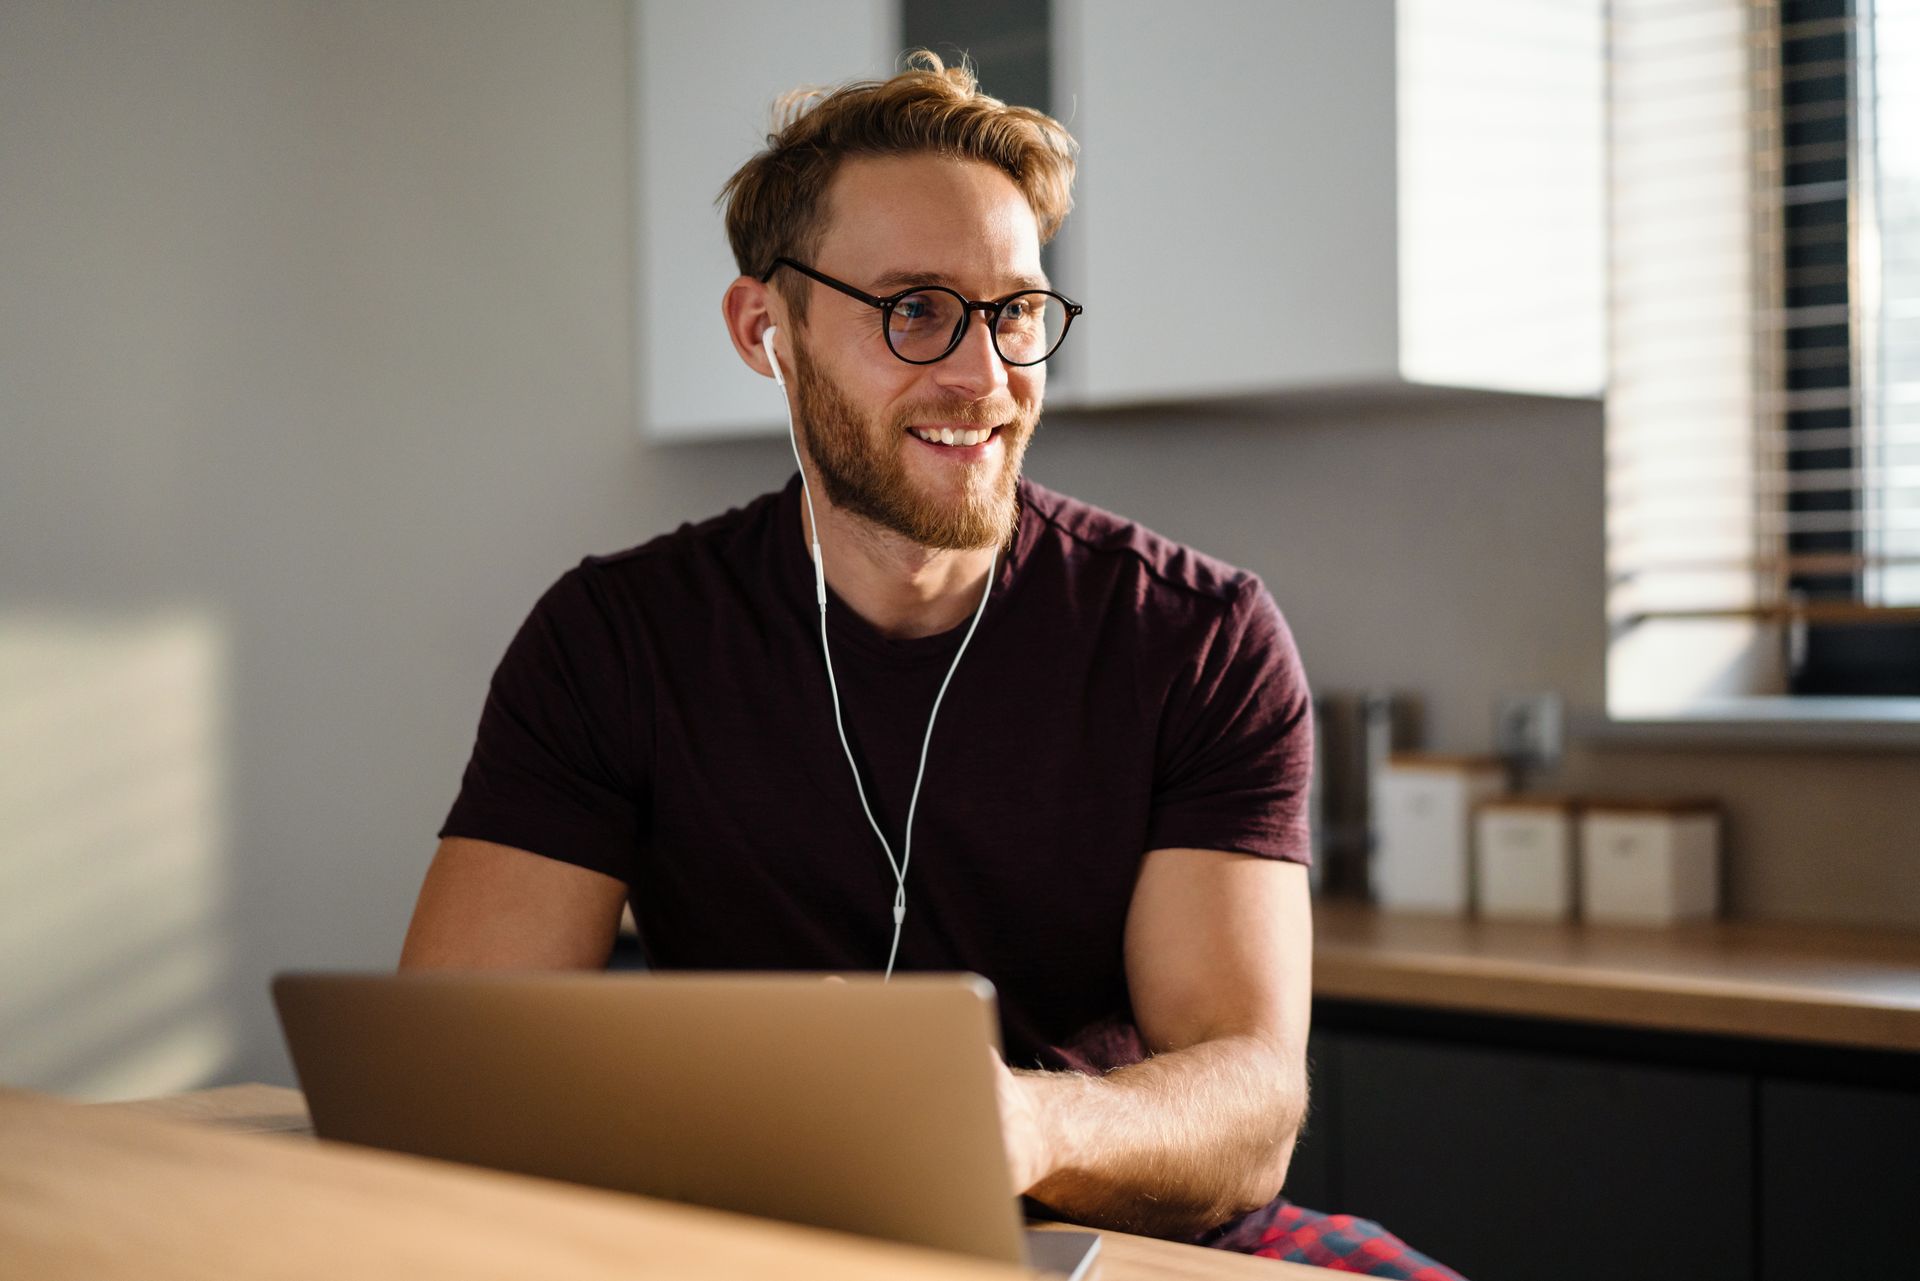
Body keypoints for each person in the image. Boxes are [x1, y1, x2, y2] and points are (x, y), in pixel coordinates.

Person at [401, 52, 1463, 1280]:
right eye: (914, 308)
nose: (984, 375)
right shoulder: (613, 640)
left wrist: (1019, 1124)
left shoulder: (1199, 637)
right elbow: (452, 1071)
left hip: (1122, 1241)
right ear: (767, 330)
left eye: (1014, 310)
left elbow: (1249, 1102)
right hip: (764, 1237)